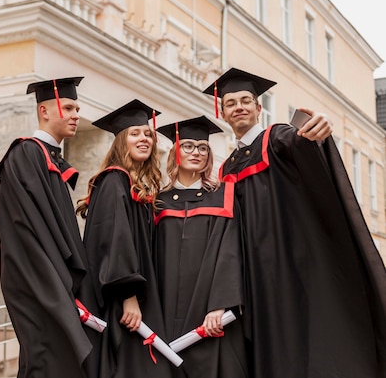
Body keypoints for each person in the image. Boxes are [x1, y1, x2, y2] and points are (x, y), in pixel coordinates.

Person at [203, 67, 386, 378]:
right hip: (254, 273)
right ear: (223, 112)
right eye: (231, 103)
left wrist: (318, 129)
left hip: (289, 261)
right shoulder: (227, 168)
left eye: (246, 100)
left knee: (300, 335)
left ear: (259, 108)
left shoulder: (275, 137)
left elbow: (301, 140)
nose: (239, 107)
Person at [0, 76, 93, 378]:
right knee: (47, 359)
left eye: (77, 108)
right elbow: (29, 230)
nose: (77, 115)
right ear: (45, 111)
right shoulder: (26, 154)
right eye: (69, 107)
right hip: (38, 280)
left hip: (52, 280)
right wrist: (59, 284)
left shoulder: (49, 159)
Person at [75, 99, 172, 378]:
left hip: (136, 296)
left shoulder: (134, 186)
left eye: (147, 134)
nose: (143, 139)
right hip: (120, 298)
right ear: (120, 142)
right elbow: (114, 240)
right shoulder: (114, 181)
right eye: (134, 133)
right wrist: (128, 295)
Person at [154, 116, 247, 378]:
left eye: (202, 147)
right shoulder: (157, 202)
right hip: (165, 306)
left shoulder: (223, 196)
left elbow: (230, 251)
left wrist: (220, 304)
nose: (196, 152)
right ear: (175, 152)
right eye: (188, 146)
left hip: (209, 311)